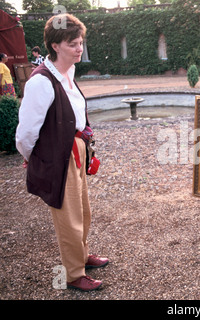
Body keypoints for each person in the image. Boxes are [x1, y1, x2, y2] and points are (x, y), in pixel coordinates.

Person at [15, 13, 108, 292]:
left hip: (77, 149)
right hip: (58, 155)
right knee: (68, 217)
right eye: (72, 44)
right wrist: (36, 159)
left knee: (83, 211)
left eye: (80, 43)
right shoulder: (40, 82)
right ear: (55, 45)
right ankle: (72, 274)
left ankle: (81, 256)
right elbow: (26, 133)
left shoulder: (69, 71)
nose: (79, 48)